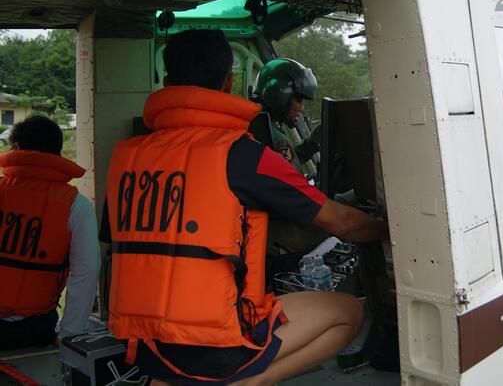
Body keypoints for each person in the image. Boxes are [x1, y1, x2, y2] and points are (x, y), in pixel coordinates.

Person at [105, 29, 388, 385]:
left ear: (166, 82)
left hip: (145, 346)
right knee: (349, 312)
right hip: (215, 348)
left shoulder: (127, 157)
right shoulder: (242, 152)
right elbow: (343, 222)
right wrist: (388, 231)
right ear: (227, 83)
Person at [0, 115, 99, 349]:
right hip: (33, 331)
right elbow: (86, 271)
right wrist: (69, 335)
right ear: (57, 152)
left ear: (16, 148)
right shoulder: (77, 205)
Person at [252, 58, 321, 173]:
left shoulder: (264, 124)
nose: (301, 108)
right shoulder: (267, 132)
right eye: (299, 100)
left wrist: (312, 143)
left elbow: (287, 159)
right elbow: (290, 174)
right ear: (279, 94)